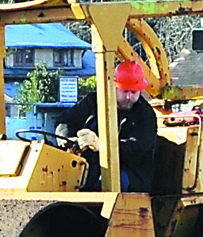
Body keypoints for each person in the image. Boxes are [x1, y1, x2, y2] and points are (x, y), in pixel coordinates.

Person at [57, 58, 158, 191]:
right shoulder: (93, 102)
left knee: (102, 182)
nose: (128, 97)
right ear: (114, 87)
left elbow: (136, 148)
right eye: (124, 91)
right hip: (89, 164)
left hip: (131, 171)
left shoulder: (146, 115)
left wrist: (102, 146)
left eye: (133, 92)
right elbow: (65, 120)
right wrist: (67, 138)